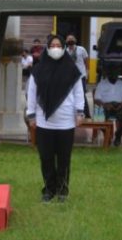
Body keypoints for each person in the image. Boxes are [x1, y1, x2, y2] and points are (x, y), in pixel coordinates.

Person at [26, 35, 84, 203]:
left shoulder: (72, 70)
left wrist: (80, 112)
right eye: (53, 45)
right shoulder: (38, 70)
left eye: (59, 45)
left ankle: (62, 190)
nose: (56, 48)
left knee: (64, 159)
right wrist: (31, 115)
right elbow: (31, 93)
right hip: (44, 122)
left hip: (66, 122)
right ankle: (48, 190)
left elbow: (78, 93)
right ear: (48, 48)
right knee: (46, 158)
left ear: (64, 48)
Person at [94, 66, 122, 146]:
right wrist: (105, 105)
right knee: (98, 119)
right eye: (111, 73)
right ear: (108, 74)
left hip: (119, 106)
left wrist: (121, 106)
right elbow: (96, 99)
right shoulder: (102, 84)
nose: (114, 75)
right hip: (105, 106)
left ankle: (118, 135)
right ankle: (108, 135)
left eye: (115, 73)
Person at [65, 34, 90, 117]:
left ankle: (87, 114)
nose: (70, 40)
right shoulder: (65, 50)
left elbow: (87, 61)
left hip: (81, 76)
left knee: (82, 94)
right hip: (70, 76)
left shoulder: (81, 49)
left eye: (72, 39)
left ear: (75, 40)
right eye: (68, 39)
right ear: (66, 41)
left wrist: (87, 72)